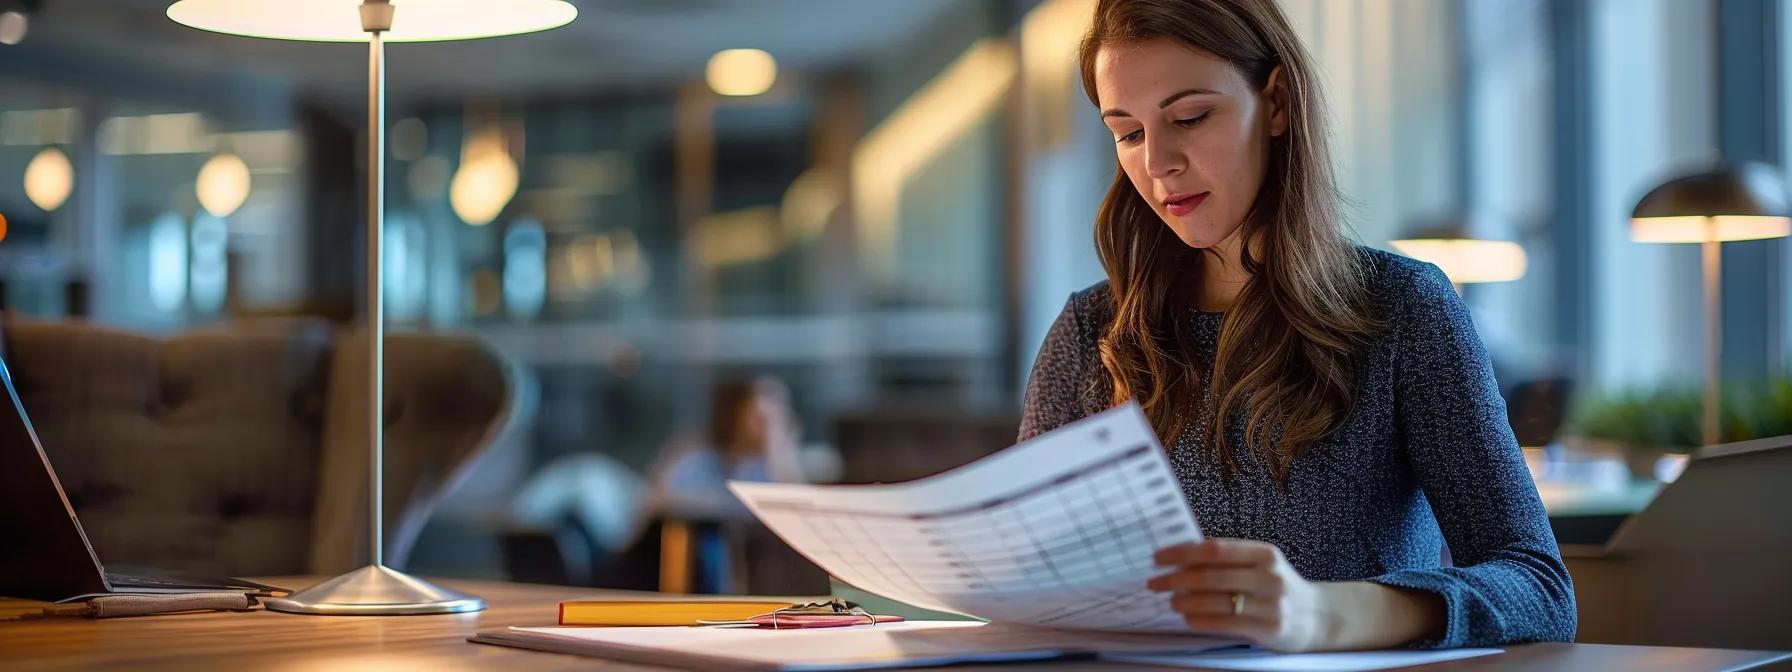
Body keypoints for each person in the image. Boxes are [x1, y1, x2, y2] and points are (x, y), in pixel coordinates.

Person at [1019, 0, 1575, 652]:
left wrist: (1323, 615)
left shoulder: (1400, 311)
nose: (1159, 162)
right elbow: (1027, 579)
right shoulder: (1092, 332)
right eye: (1129, 133)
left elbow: (1540, 590)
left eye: (1190, 118)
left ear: (1277, 103)